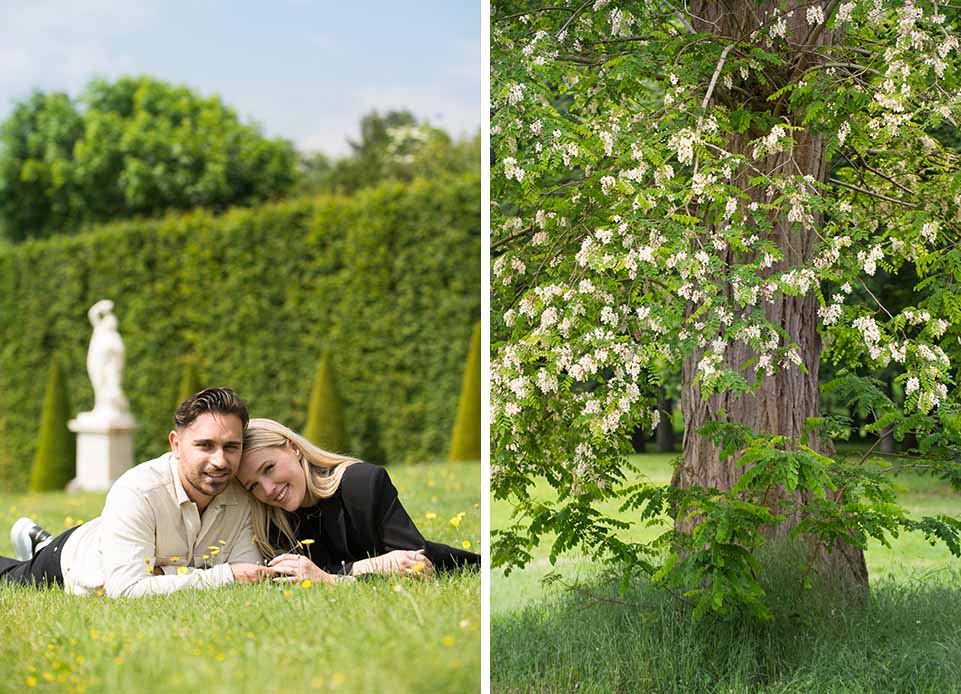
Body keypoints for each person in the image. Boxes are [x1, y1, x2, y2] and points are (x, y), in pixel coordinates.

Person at [0, 388, 287, 596]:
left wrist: (164, 574)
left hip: (115, 540)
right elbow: (125, 589)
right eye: (205, 445)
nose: (220, 461)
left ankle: (36, 539)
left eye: (231, 447)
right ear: (176, 444)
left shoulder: (242, 498)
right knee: (11, 578)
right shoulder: (138, 490)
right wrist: (223, 574)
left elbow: (248, 576)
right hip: (76, 560)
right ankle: (42, 546)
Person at [237, 418, 480, 582]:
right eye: (253, 485)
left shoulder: (362, 482)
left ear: (293, 448)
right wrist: (368, 568)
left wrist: (329, 576)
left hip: (466, 568)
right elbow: (290, 580)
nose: (267, 490)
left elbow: (417, 562)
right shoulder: (269, 518)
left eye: (268, 468)